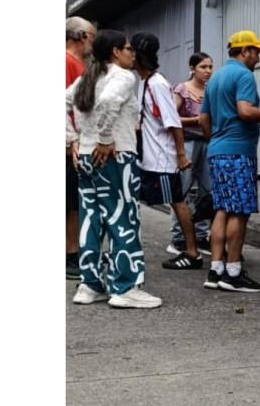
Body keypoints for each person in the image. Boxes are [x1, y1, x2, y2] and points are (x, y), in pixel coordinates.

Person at [66, 29, 162, 309]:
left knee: (91, 219)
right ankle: (125, 286)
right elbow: (108, 102)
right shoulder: (122, 76)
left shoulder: (89, 76)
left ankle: (90, 284)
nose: (133, 54)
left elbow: (61, 102)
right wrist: (105, 138)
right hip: (116, 156)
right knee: (123, 218)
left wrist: (73, 139)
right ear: (115, 52)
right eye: (129, 49)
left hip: (86, 157)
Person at [200, 30, 260, 292]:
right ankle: (233, 272)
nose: (258, 58)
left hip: (217, 150)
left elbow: (203, 118)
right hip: (238, 151)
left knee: (222, 209)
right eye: (256, 52)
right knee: (239, 211)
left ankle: (216, 270)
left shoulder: (215, 78)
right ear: (244, 51)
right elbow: (245, 110)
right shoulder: (244, 75)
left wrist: (216, 138)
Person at [131, 32, 201, 271]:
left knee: (177, 201)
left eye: (130, 51)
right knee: (172, 200)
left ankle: (192, 253)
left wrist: (180, 155)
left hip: (162, 159)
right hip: (149, 158)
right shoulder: (145, 82)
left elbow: (173, 122)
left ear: (138, 55)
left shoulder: (158, 84)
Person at [167, 52, 214, 256]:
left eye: (210, 67)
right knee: (182, 190)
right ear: (192, 69)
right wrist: (196, 120)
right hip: (186, 142)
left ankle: (201, 236)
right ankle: (179, 238)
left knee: (206, 190)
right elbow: (171, 117)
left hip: (207, 142)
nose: (208, 71)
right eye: (203, 67)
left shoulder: (211, 90)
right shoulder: (182, 89)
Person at [66, 16, 95, 279]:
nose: (94, 42)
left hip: (76, 141)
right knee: (72, 203)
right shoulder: (67, 62)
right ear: (82, 36)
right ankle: (71, 254)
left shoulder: (79, 65)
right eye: (92, 36)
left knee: (75, 201)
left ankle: (77, 250)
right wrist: (70, 140)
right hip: (70, 143)